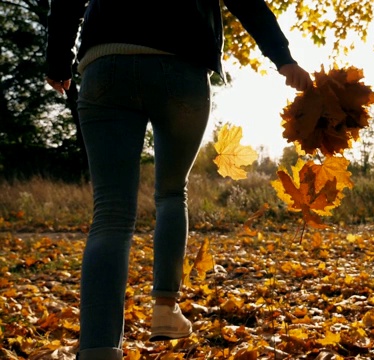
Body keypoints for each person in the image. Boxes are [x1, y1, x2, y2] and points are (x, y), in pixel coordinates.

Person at [45, 0, 312, 359]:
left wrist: (58, 57)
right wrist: (283, 58)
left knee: (110, 213)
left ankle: (97, 349)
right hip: (181, 65)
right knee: (171, 193)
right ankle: (165, 309)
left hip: (107, 61)